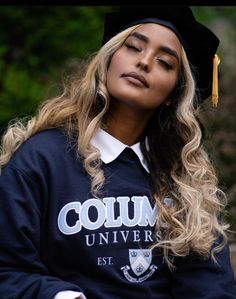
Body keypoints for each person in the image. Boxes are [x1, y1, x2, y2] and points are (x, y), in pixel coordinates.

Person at [0, 5, 235, 299]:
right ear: (109, 59)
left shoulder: (185, 179)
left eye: (165, 62)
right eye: (134, 47)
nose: (145, 62)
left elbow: (209, 287)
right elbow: (8, 271)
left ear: (173, 94)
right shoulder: (40, 160)